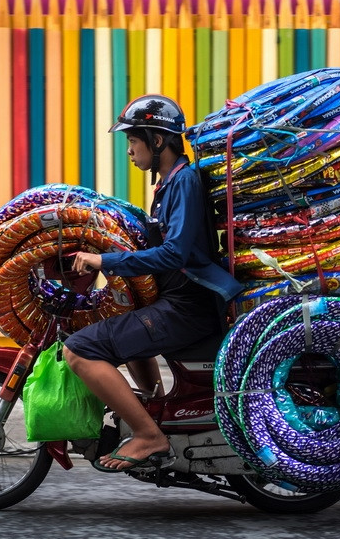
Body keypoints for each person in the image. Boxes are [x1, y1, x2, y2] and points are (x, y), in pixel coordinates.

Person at [62, 94, 242, 472]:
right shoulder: (168, 185)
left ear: (157, 140)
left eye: (133, 140)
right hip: (178, 303)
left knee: (79, 350)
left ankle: (149, 436)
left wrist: (103, 260)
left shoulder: (185, 183)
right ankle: (152, 411)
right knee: (118, 323)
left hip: (187, 309)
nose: (129, 150)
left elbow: (175, 254)